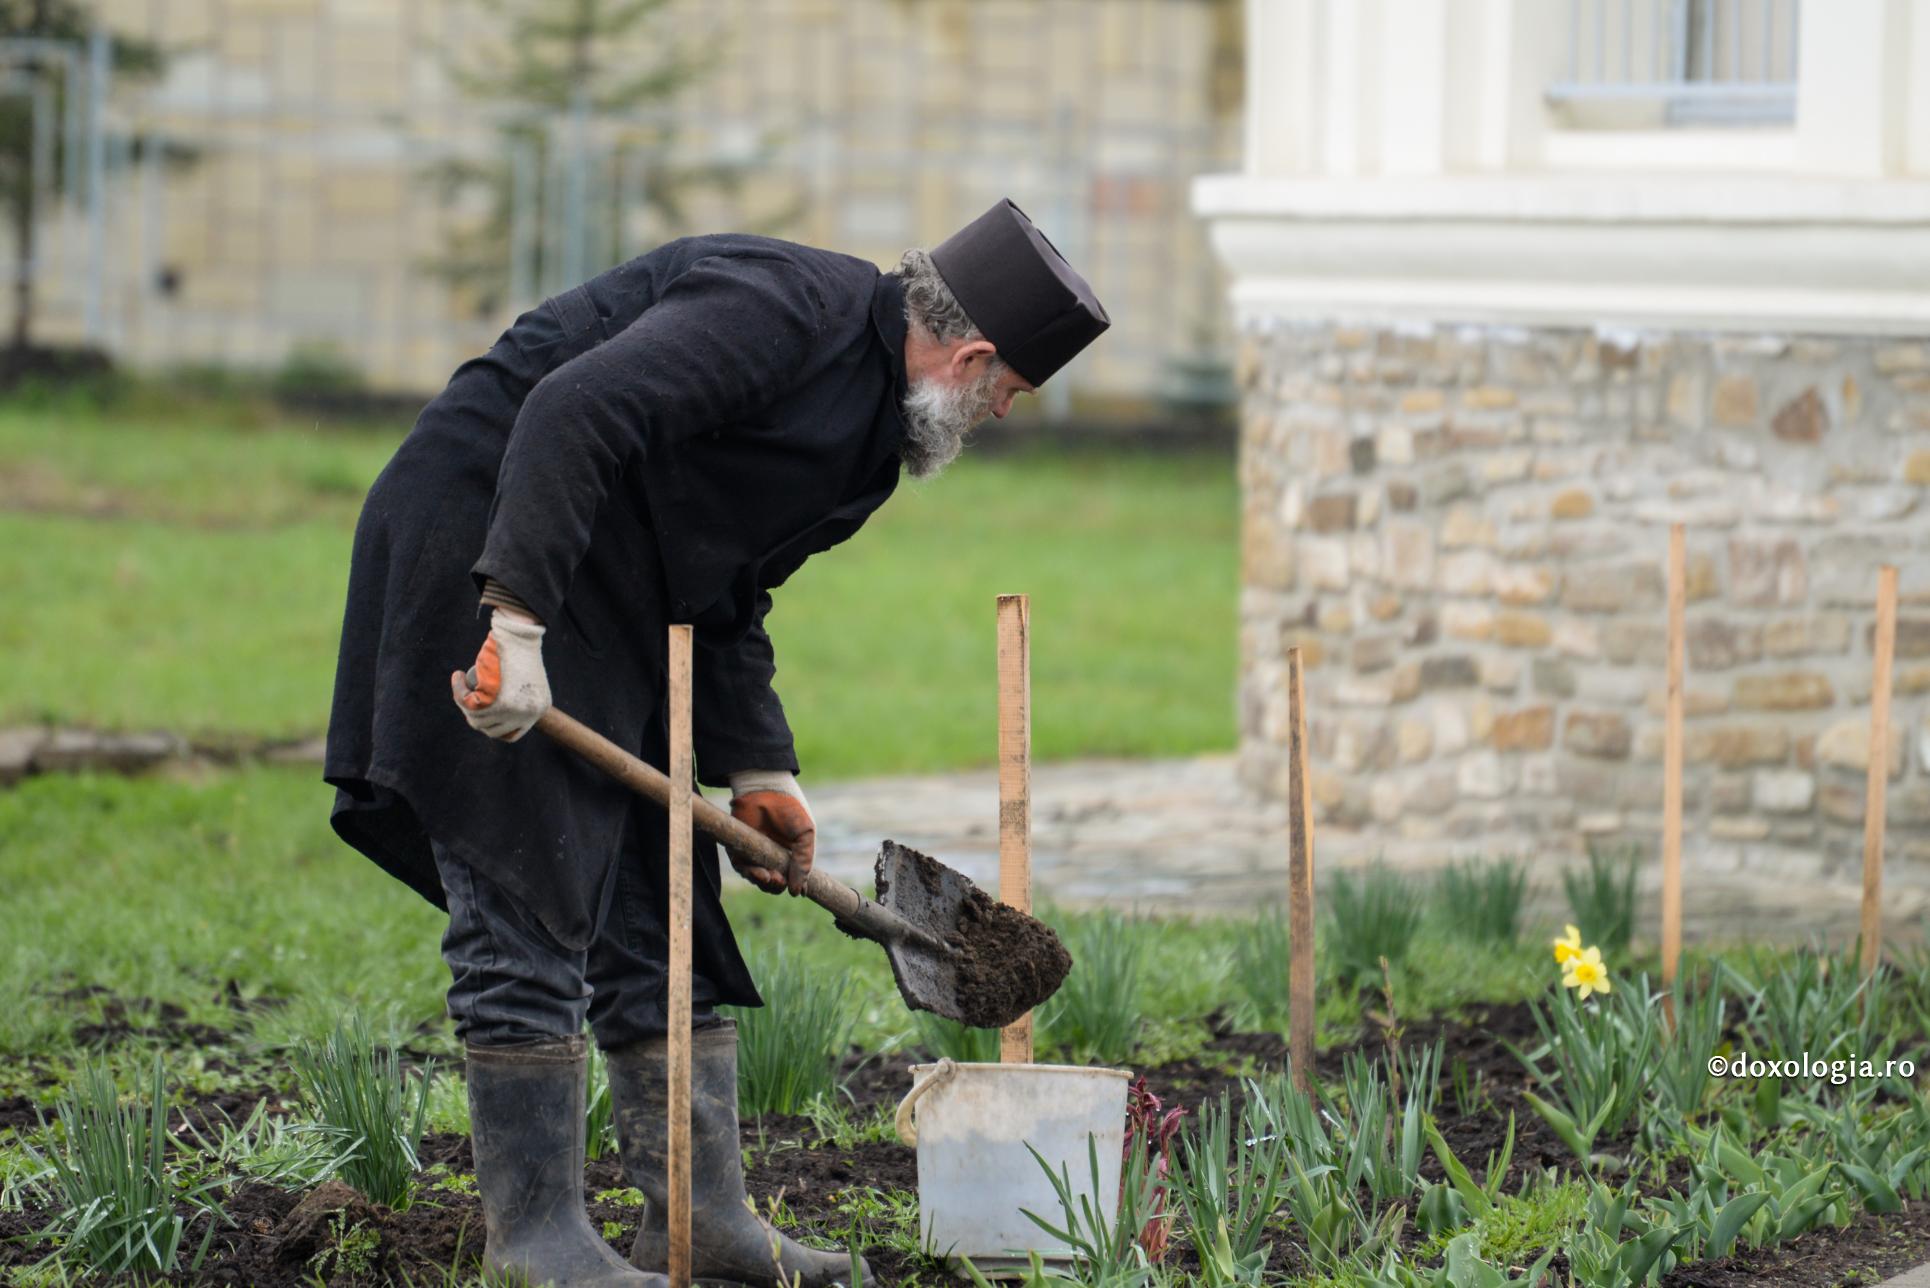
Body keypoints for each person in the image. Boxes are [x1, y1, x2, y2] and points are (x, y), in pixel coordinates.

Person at [322, 199, 1108, 1288]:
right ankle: (535, 1237)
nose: (1001, 415)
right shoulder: (782, 307)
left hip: (617, 592)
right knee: (530, 875)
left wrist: (758, 769)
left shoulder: (867, 445)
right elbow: (570, 409)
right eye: (1008, 392)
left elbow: (730, 579)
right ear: (971, 355)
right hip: (494, 534)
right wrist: (512, 617)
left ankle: (700, 1216)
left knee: (665, 896)